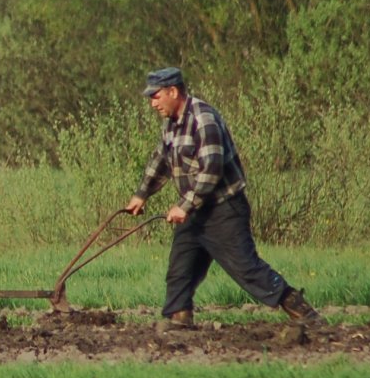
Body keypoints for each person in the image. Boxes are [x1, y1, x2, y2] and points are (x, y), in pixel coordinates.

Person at [124, 68, 326, 329]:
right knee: (180, 267)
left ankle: (305, 313)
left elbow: (212, 170)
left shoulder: (203, 119)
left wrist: (184, 206)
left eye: (155, 96)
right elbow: (161, 161)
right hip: (196, 210)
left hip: (224, 210)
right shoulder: (172, 124)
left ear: (173, 91)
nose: (152, 103)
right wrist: (142, 195)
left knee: (247, 269)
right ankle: (179, 321)